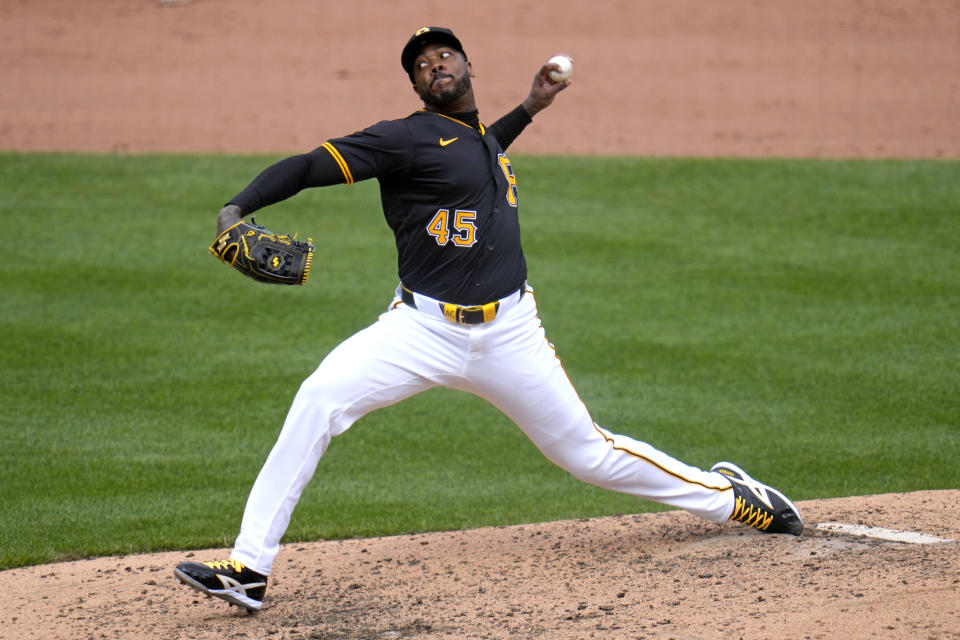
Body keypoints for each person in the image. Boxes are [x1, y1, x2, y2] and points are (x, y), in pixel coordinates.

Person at [173, 26, 804, 612]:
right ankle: (249, 568)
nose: (434, 65)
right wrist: (237, 208)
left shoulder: (482, 137)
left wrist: (530, 107)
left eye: (444, 55)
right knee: (318, 398)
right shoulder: (404, 138)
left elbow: (477, 150)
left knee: (588, 456)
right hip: (419, 332)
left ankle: (732, 498)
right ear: (416, 87)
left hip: (510, 335)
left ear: (469, 66)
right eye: (421, 66)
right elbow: (312, 165)